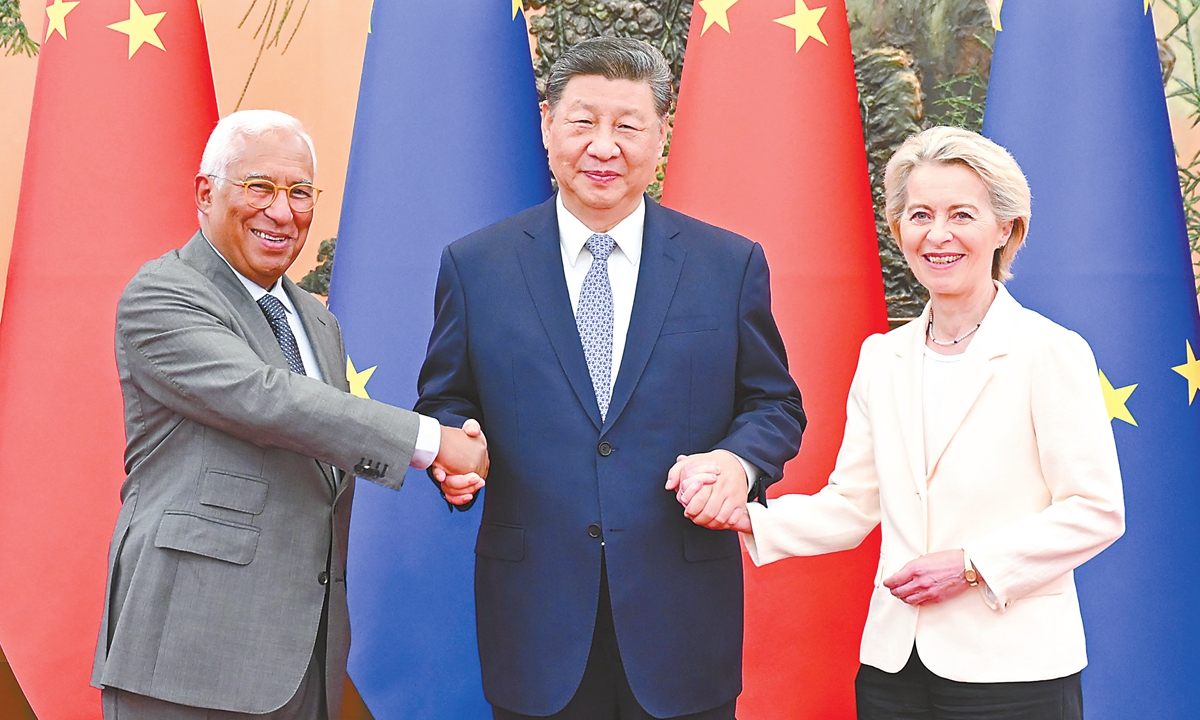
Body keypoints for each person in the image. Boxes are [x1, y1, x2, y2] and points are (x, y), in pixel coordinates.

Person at [415, 37, 806, 720]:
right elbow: (447, 397)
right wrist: (455, 452)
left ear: (661, 133)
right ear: (546, 124)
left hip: (682, 624)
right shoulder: (476, 266)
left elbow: (773, 403)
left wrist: (739, 464)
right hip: (535, 622)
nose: (604, 146)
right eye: (583, 122)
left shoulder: (727, 264)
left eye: (627, 126)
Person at [685, 126, 1125, 719]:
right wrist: (749, 516)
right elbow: (853, 503)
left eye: (961, 215)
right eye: (919, 215)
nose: (937, 235)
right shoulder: (881, 356)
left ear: (1006, 229)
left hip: (1014, 669)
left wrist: (972, 566)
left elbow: (1095, 510)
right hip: (894, 666)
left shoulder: (1051, 350)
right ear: (898, 231)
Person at [91, 109, 489, 720]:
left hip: (305, 659)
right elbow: (266, 399)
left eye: (300, 192)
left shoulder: (316, 319)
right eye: (260, 187)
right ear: (205, 193)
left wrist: (444, 465)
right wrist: (430, 442)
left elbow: (324, 435)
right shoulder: (162, 295)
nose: (283, 211)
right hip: (188, 659)